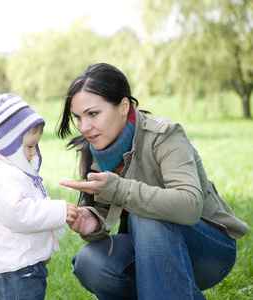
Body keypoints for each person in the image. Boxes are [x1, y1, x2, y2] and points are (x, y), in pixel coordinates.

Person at [56, 63, 248, 300]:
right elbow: (106, 210)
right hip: (149, 252)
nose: (84, 127)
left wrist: (118, 189)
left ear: (124, 106)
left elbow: (189, 206)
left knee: (145, 216)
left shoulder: (165, 134)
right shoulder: (93, 150)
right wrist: (93, 222)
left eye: (93, 113)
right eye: (78, 117)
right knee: (89, 262)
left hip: (209, 250)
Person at [0, 87, 77, 300]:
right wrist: (59, 211)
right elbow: (19, 214)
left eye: (36, 145)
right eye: (29, 146)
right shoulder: (1, 175)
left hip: (19, 263)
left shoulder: (12, 170)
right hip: (12, 269)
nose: (34, 152)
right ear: (9, 144)